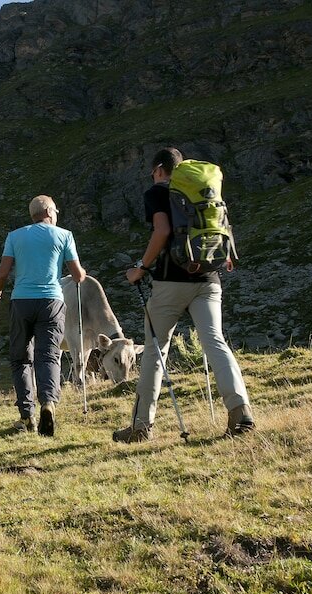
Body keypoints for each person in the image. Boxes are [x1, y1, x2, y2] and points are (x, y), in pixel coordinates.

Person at [113, 148, 254, 442]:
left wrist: (140, 267)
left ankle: (141, 426)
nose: (153, 176)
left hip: (170, 281)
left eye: (153, 172)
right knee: (215, 342)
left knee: (155, 349)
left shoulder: (157, 192)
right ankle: (240, 410)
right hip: (209, 278)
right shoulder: (201, 191)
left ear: (160, 170)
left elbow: (161, 230)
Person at [0, 195, 86, 436]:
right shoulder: (64, 235)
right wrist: (82, 274)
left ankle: (26, 416)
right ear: (50, 212)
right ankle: (48, 404)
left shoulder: (15, 236)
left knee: (20, 358)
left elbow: (2, 272)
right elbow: (77, 275)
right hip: (52, 301)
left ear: (32, 214)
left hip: (21, 301)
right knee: (49, 356)